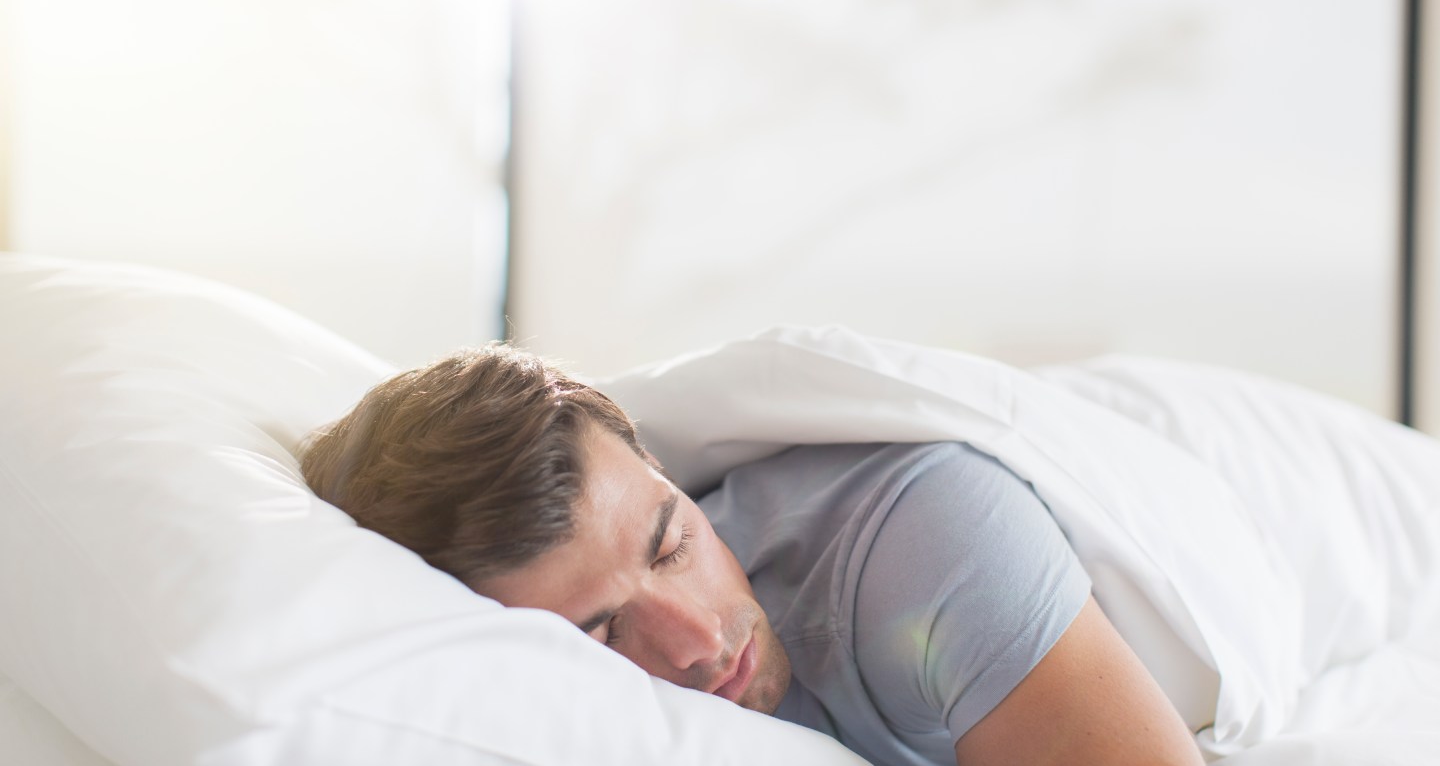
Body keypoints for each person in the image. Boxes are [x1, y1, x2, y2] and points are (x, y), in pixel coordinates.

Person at [301, 344, 1203, 766]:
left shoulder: (922, 544)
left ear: (661, 469)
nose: (696, 640)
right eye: (603, 631)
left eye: (673, 543)